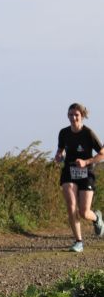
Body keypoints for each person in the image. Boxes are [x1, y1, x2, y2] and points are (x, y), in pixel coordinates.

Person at [54, 103, 104, 252]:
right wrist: (58, 156)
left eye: (76, 115)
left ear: (82, 116)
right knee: (71, 205)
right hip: (69, 171)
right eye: (70, 115)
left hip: (86, 173)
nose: (73, 118)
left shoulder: (88, 133)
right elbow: (60, 150)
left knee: (84, 212)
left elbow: (102, 154)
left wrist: (86, 162)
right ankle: (78, 242)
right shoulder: (63, 133)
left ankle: (96, 217)